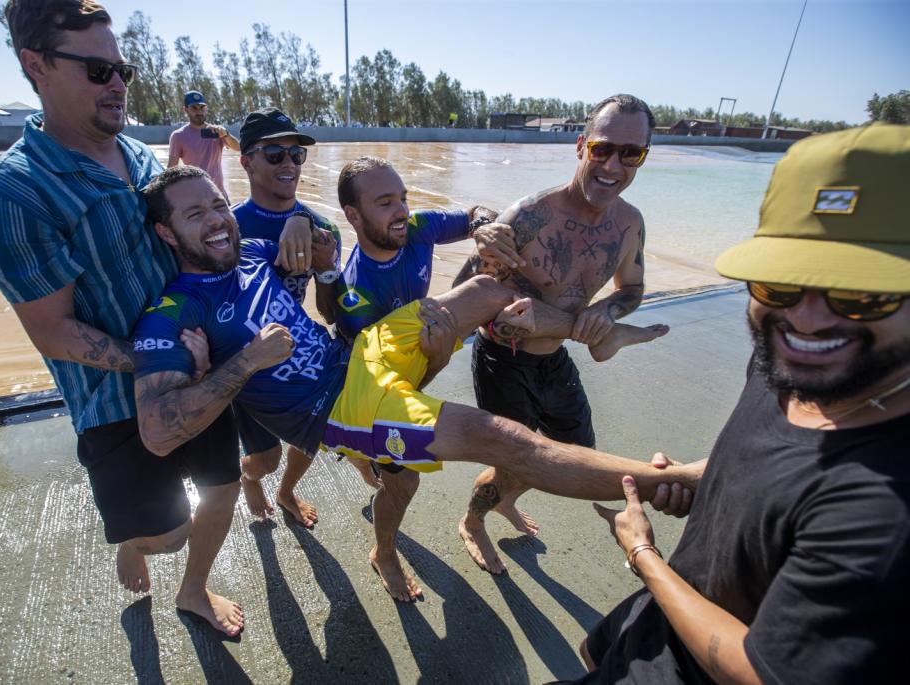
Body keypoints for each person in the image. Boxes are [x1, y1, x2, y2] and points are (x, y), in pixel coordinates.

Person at [131, 165, 703, 602]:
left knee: (488, 290)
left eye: (217, 204)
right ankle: (672, 480)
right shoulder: (173, 311)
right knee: (505, 438)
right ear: (165, 231)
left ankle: (597, 330)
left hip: (363, 351)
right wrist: (244, 363)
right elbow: (158, 432)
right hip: (338, 407)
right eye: (193, 214)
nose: (215, 219)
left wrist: (311, 224)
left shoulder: (255, 252)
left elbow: (322, 241)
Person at [584, 123, 910, 684]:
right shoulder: (790, 364)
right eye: (779, 285)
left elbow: (760, 672)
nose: (806, 320)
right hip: (654, 630)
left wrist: (643, 556)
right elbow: (784, 465)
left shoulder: (888, 513)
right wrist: (704, 483)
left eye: (862, 296)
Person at [0, 1, 244, 637]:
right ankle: (137, 540)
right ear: (35, 66)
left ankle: (195, 591)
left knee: (221, 489)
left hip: (202, 370)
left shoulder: (142, 158)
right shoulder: (12, 197)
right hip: (115, 404)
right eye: (97, 70)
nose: (117, 83)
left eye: (123, 68)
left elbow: (203, 243)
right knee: (167, 533)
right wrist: (167, 359)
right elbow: (54, 332)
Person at [332, 156, 674, 589]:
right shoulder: (354, 293)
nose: (401, 210)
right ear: (353, 216)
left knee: (570, 444)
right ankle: (387, 549)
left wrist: (483, 226)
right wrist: (442, 352)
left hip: (477, 342)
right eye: (386, 203)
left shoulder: (417, 226)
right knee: (405, 480)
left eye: (402, 198)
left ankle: (596, 339)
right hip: (387, 375)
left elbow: (474, 229)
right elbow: (398, 366)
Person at [455, 94, 669, 574]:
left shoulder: (629, 223)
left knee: (577, 454)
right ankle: (473, 521)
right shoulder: (530, 216)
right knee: (516, 460)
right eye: (602, 149)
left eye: (631, 153)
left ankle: (506, 497)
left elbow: (632, 288)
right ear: (580, 146)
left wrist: (608, 312)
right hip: (503, 360)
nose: (614, 164)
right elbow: (461, 293)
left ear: (643, 157)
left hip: (555, 359)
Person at [229, 107, 344, 526]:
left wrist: (326, 266)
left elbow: (329, 312)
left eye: (297, 156)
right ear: (246, 162)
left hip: (299, 357)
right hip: (248, 365)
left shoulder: (324, 226)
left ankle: (287, 492)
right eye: (275, 154)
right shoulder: (227, 227)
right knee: (266, 458)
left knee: (321, 434)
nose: (289, 165)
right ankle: (249, 477)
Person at [167, 90, 240, 197]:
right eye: (194, 108)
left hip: (219, 195)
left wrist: (226, 134)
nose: (199, 112)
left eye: (202, 108)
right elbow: (171, 169)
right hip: (195, 196)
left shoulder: (217, 131)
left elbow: (238, 148)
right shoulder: (178, 136)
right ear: (185, 110)